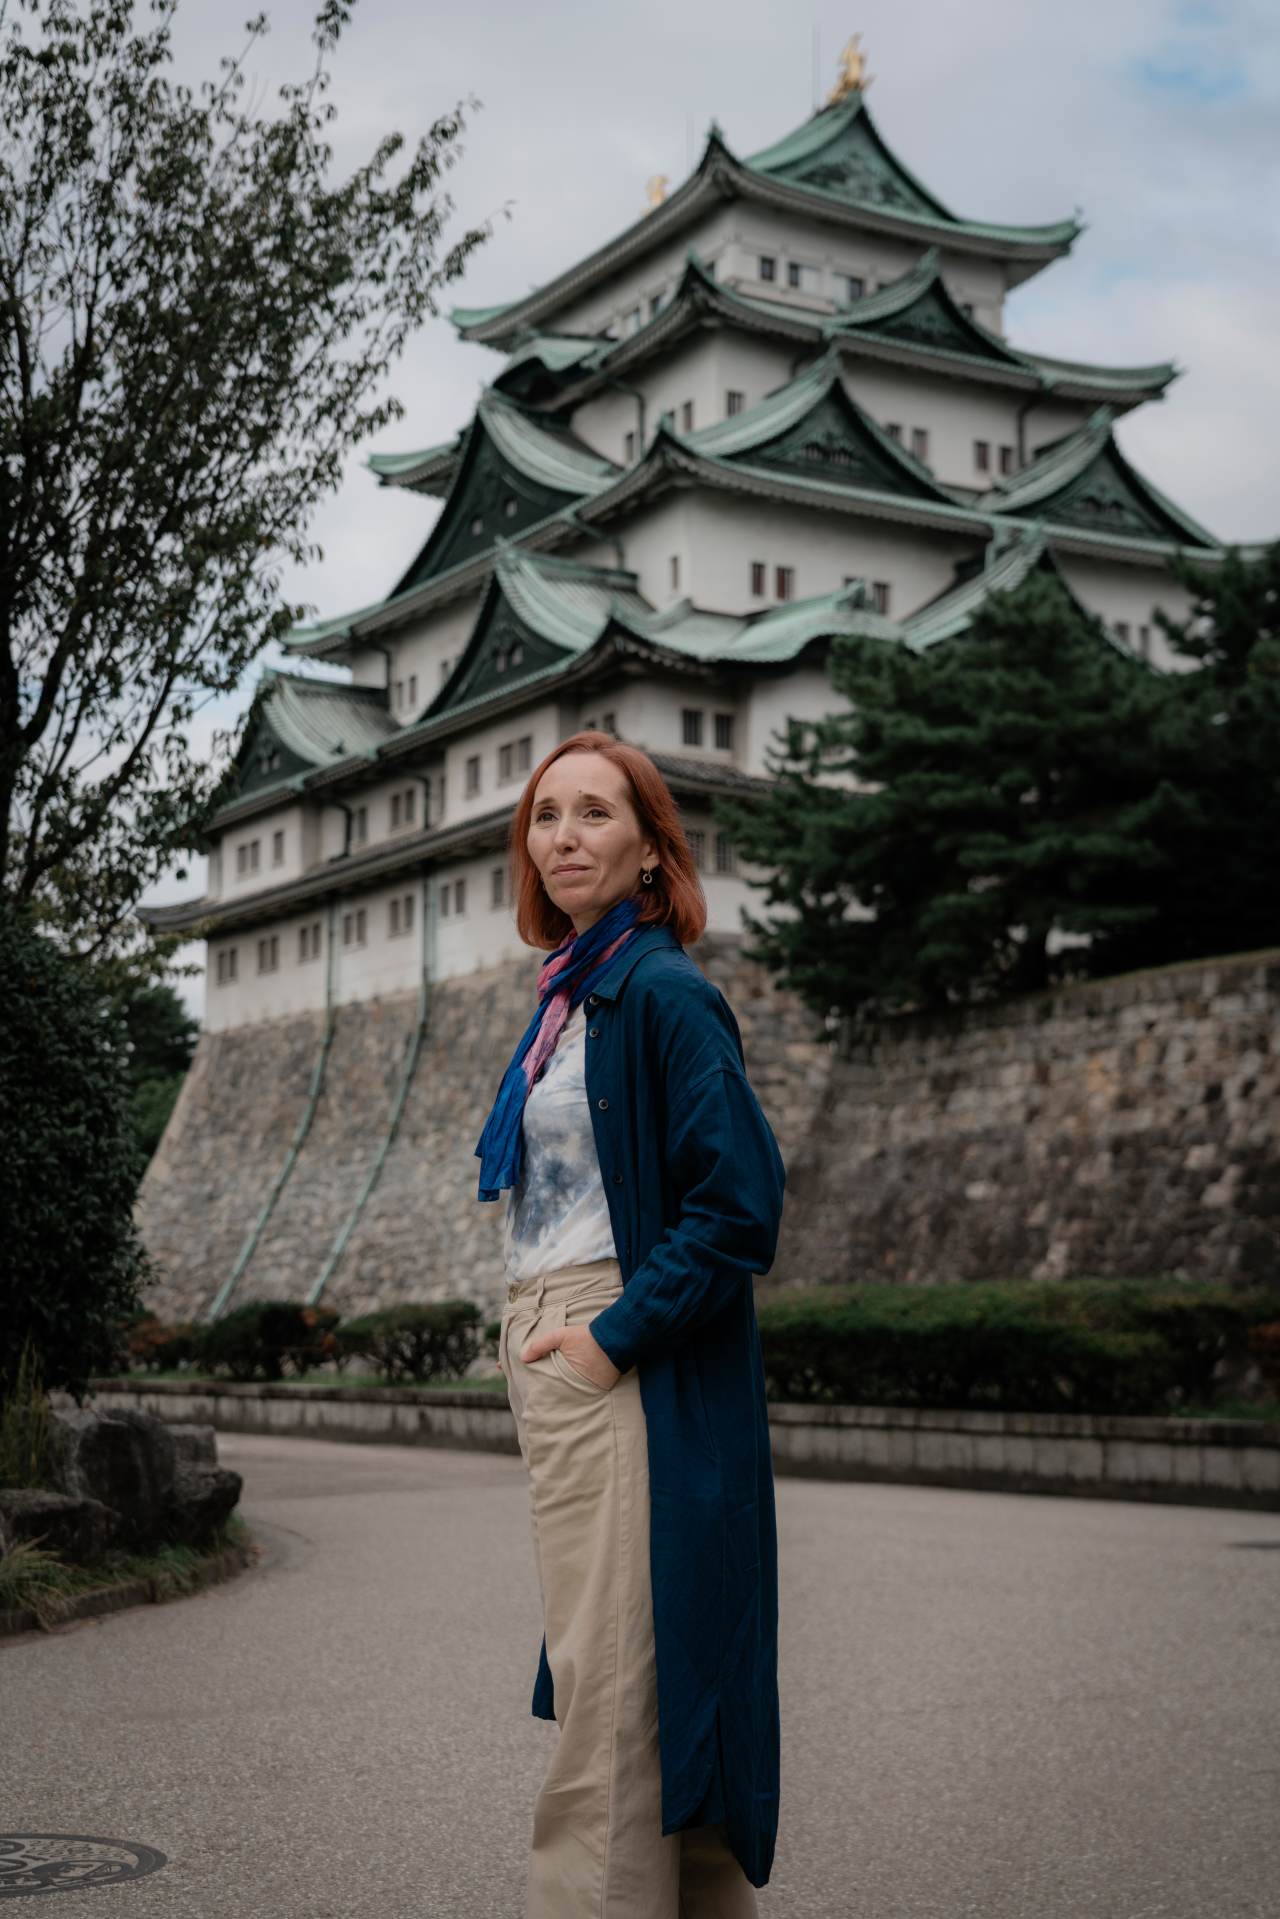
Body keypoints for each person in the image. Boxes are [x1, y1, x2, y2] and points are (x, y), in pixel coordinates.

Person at [474, 729, 787, 1917]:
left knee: (607, 1707)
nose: (562, 835)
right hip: (570, 1340)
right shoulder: (571, 992)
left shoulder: (657, 991)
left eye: (595, 814)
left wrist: (606, 1335)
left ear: (652, 852)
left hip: (610, 1350)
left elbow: (735, 1206)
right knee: (646, 1687)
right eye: (545, 814)